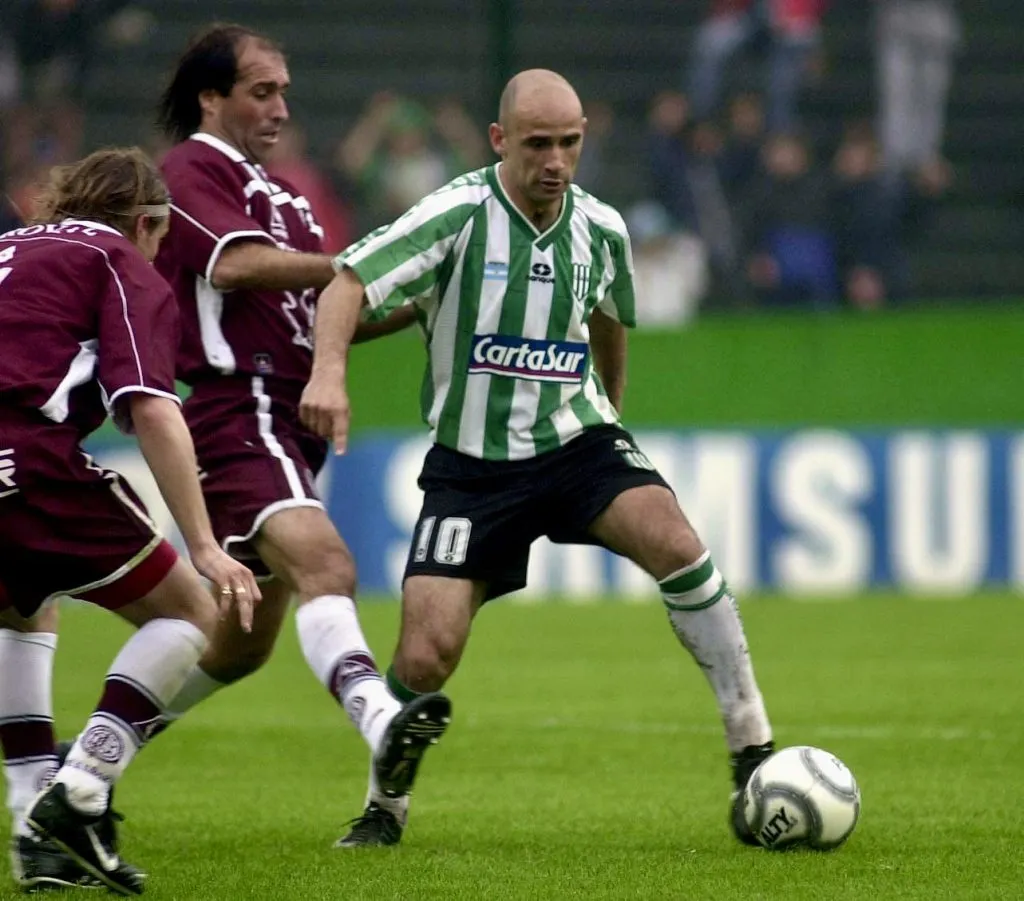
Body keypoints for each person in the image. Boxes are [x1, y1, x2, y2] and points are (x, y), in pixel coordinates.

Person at [0, 21, 448, 864]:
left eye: (285, 89)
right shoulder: (179, 186)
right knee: (275, 583)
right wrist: (366, 262)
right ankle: (382, 720)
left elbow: (323, 303)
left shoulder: (279, 194)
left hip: (261, 416)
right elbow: (222, 293)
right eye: (261, 89)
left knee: (231, 642)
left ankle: (49, 809)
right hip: (234, 411)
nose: (281, 105)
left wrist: (408, 298)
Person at [300, 68, 776, 845]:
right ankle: (385, 809)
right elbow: (347, 281)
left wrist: (611, 410)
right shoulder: (457, 213)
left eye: (570, 143)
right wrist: (328, 372)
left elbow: (611, 314)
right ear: (499, 141)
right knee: (425, 654)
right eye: (537, 144)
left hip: (575, 442)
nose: (555, 160)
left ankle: (751, 744)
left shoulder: (602, 227)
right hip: (472, 466)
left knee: (679, 544)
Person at [0, 146, 260, 893]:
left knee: (25, 609)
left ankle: (32, 827)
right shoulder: (120, 259)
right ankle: (79, 789)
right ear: (149, 221)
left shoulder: (11, 247)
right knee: (188, 613)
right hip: (30, 459)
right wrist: (205, 544)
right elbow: (149, 403)